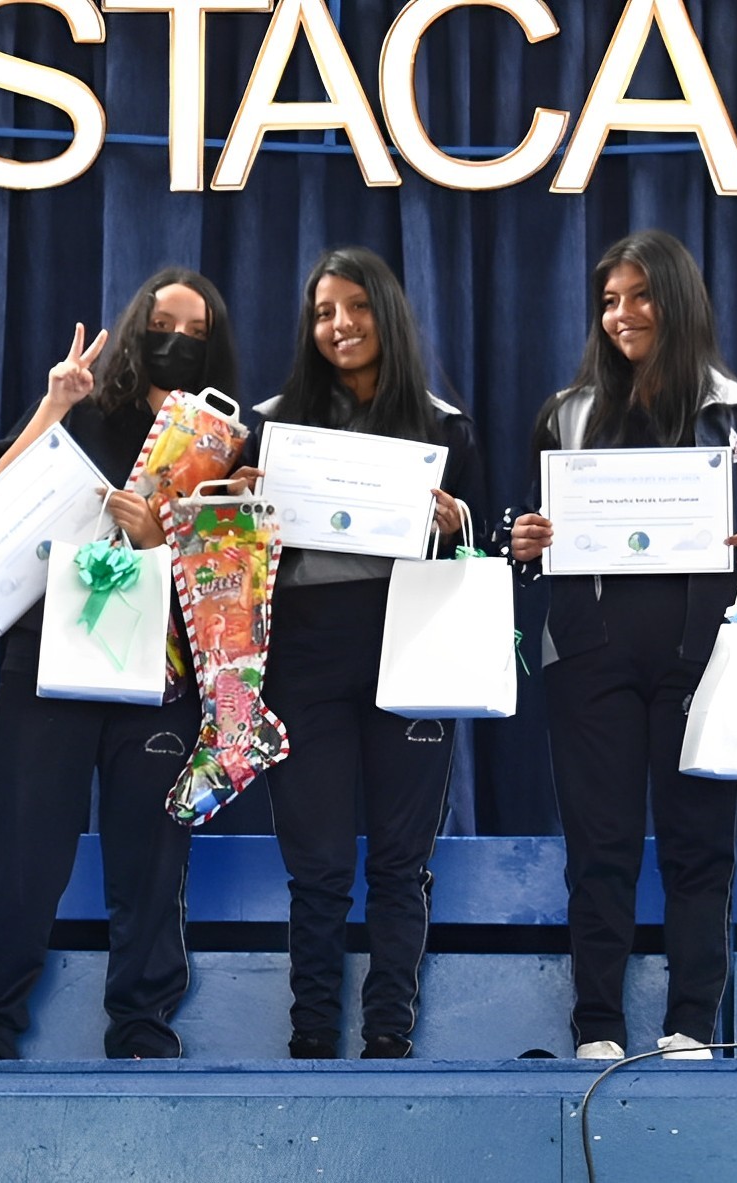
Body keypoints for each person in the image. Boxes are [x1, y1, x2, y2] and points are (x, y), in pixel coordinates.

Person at [506, 229, 737, 1061]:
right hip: (587, 659)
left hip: (700, 662)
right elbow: (527, 529)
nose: (621, 314)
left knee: (697, 848)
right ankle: (596, 1025)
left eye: (638, 296)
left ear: (676, 302)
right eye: (608, 301)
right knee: (598, 849)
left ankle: (690, 1026)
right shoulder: (566, 412)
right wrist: (521, 538)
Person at [0, 268, 248, 1060]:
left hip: (161, 672)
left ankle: (142, 1023)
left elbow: (232, 582)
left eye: (195, 332)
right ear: (136, 327)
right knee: (24, 850)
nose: (175, 340)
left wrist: (156, 538)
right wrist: (54, 403)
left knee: (151, 858)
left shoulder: (223, 444)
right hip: (48, 653)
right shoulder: (84, 407)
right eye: (162, 324)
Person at [246, 246, 486, 1059]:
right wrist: (239, 508)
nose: (339, 324)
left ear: (388, 313)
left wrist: (456, 526)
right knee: (316, 864)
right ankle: (312, 1034)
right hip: (303, 654)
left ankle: (388, 1032)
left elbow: (486, 556)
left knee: (399, 861)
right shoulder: (271, 426)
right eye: (322, 312)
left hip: (412, 648)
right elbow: (228, 555)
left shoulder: (444, 427)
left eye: (354, 307)